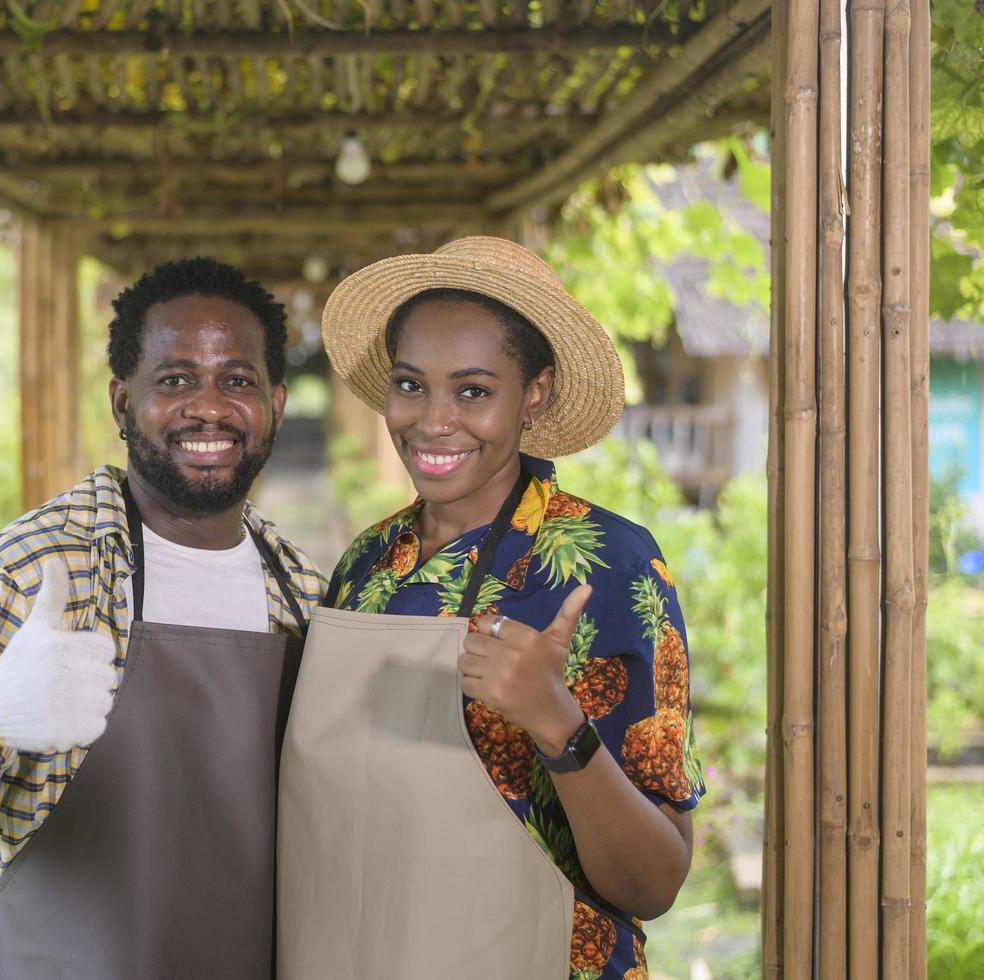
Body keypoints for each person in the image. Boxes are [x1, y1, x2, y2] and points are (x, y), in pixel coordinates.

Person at [0, 257, 322, 980]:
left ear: (276, 405)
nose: (209, 407)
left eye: (237, 379)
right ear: (121, 402)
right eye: (174, 379)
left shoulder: (302, 594)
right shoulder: (38, 567)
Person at [277, 237, 702, 980]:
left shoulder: (605, 563)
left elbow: (653, 882)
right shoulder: (365, 563)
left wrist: (555, 722)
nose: (432, 421)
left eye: (472, 391)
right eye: (411, 385)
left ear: (532, 395)